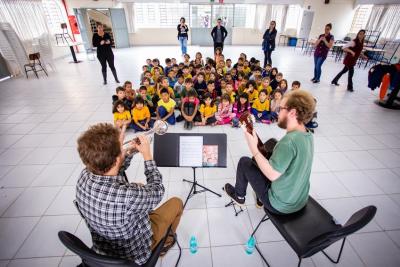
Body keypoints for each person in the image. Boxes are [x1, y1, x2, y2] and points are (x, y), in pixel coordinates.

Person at [76, 123, 183, 265]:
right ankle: (164, 244)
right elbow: (157, 191)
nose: (123, 147)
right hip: (135, 254)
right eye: (121, 148)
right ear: (115, 160)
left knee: (139, 190)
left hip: (103, 247)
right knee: (176, 203)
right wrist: (147, 157)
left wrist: (129, 152)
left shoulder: (84, 176)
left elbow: (112, 170)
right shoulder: (128, 196)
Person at [224, 90, 315, 214]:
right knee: (271, 143)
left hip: (280, 205)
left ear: (292, 113)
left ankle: (239, 196)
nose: (276, 112)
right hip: (299, 199)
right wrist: (256, 139)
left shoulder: (288, 143)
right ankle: (259, 200)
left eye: (280, 109)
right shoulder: (307, 134)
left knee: (245, 162)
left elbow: (271, 175)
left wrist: (253, 148)